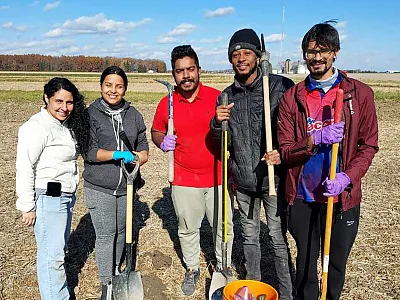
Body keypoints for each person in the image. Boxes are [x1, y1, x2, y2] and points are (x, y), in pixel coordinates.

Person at [277, 21, 379, 300]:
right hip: (303, 196)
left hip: (341, 198)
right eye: (310, 52)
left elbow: (368, 146)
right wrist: (315, 139)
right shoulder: (292, 98)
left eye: (323, 50)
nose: (316, 57)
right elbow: (285, 151)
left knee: (334, 265)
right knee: (307, 265)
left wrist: (348, 177)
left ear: (335, 52)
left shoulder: (359, 94)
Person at [210, 28, 294, 300]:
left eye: (247, 53)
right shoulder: (225, 96)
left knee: (278, 240)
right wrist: (216, 123)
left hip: (274, 179)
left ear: (258, 56)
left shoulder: (280, 86)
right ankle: (254, 288)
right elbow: (222, 143)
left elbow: (295, 129)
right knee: (249, 237)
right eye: (235, 55)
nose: (241, 59)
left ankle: (287, 292)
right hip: (244, 181)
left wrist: (282, 152)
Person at [151, 45, 234, 296]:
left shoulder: (217, 97)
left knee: (223, 227)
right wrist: (161, 140)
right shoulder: (167, 103)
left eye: (190, 69)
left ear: (199, 70)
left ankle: (223, 267)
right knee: (187, 228)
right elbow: (156, 130)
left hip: (217, 176)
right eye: (179, 71)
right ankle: (192, 268)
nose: (186, 75)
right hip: (184, 178)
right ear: (173, 74)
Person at [16, 77, 90, 300]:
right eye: (58, 101)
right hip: (49, 198)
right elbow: (25, 166)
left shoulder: (65, 125)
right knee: (52, 257)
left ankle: (58, 292)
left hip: (65, 198)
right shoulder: (36, 127)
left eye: (69, 103)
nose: (64, 108)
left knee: (58, 252)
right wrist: (27, 206)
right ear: (47, 98)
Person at [83, 66, 149, 299]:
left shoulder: (134, 114)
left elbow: (144, 148)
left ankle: (117, 270)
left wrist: (137, 158)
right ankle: (106, 283)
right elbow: (89, 152)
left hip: (127, 186)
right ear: (101, 86)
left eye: (119, 86)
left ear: (125, 88)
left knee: (122, 231)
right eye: (108, 85)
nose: (113, 90)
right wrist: (117, 154)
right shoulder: (90, 115)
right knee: (105, 234)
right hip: (99, 186)